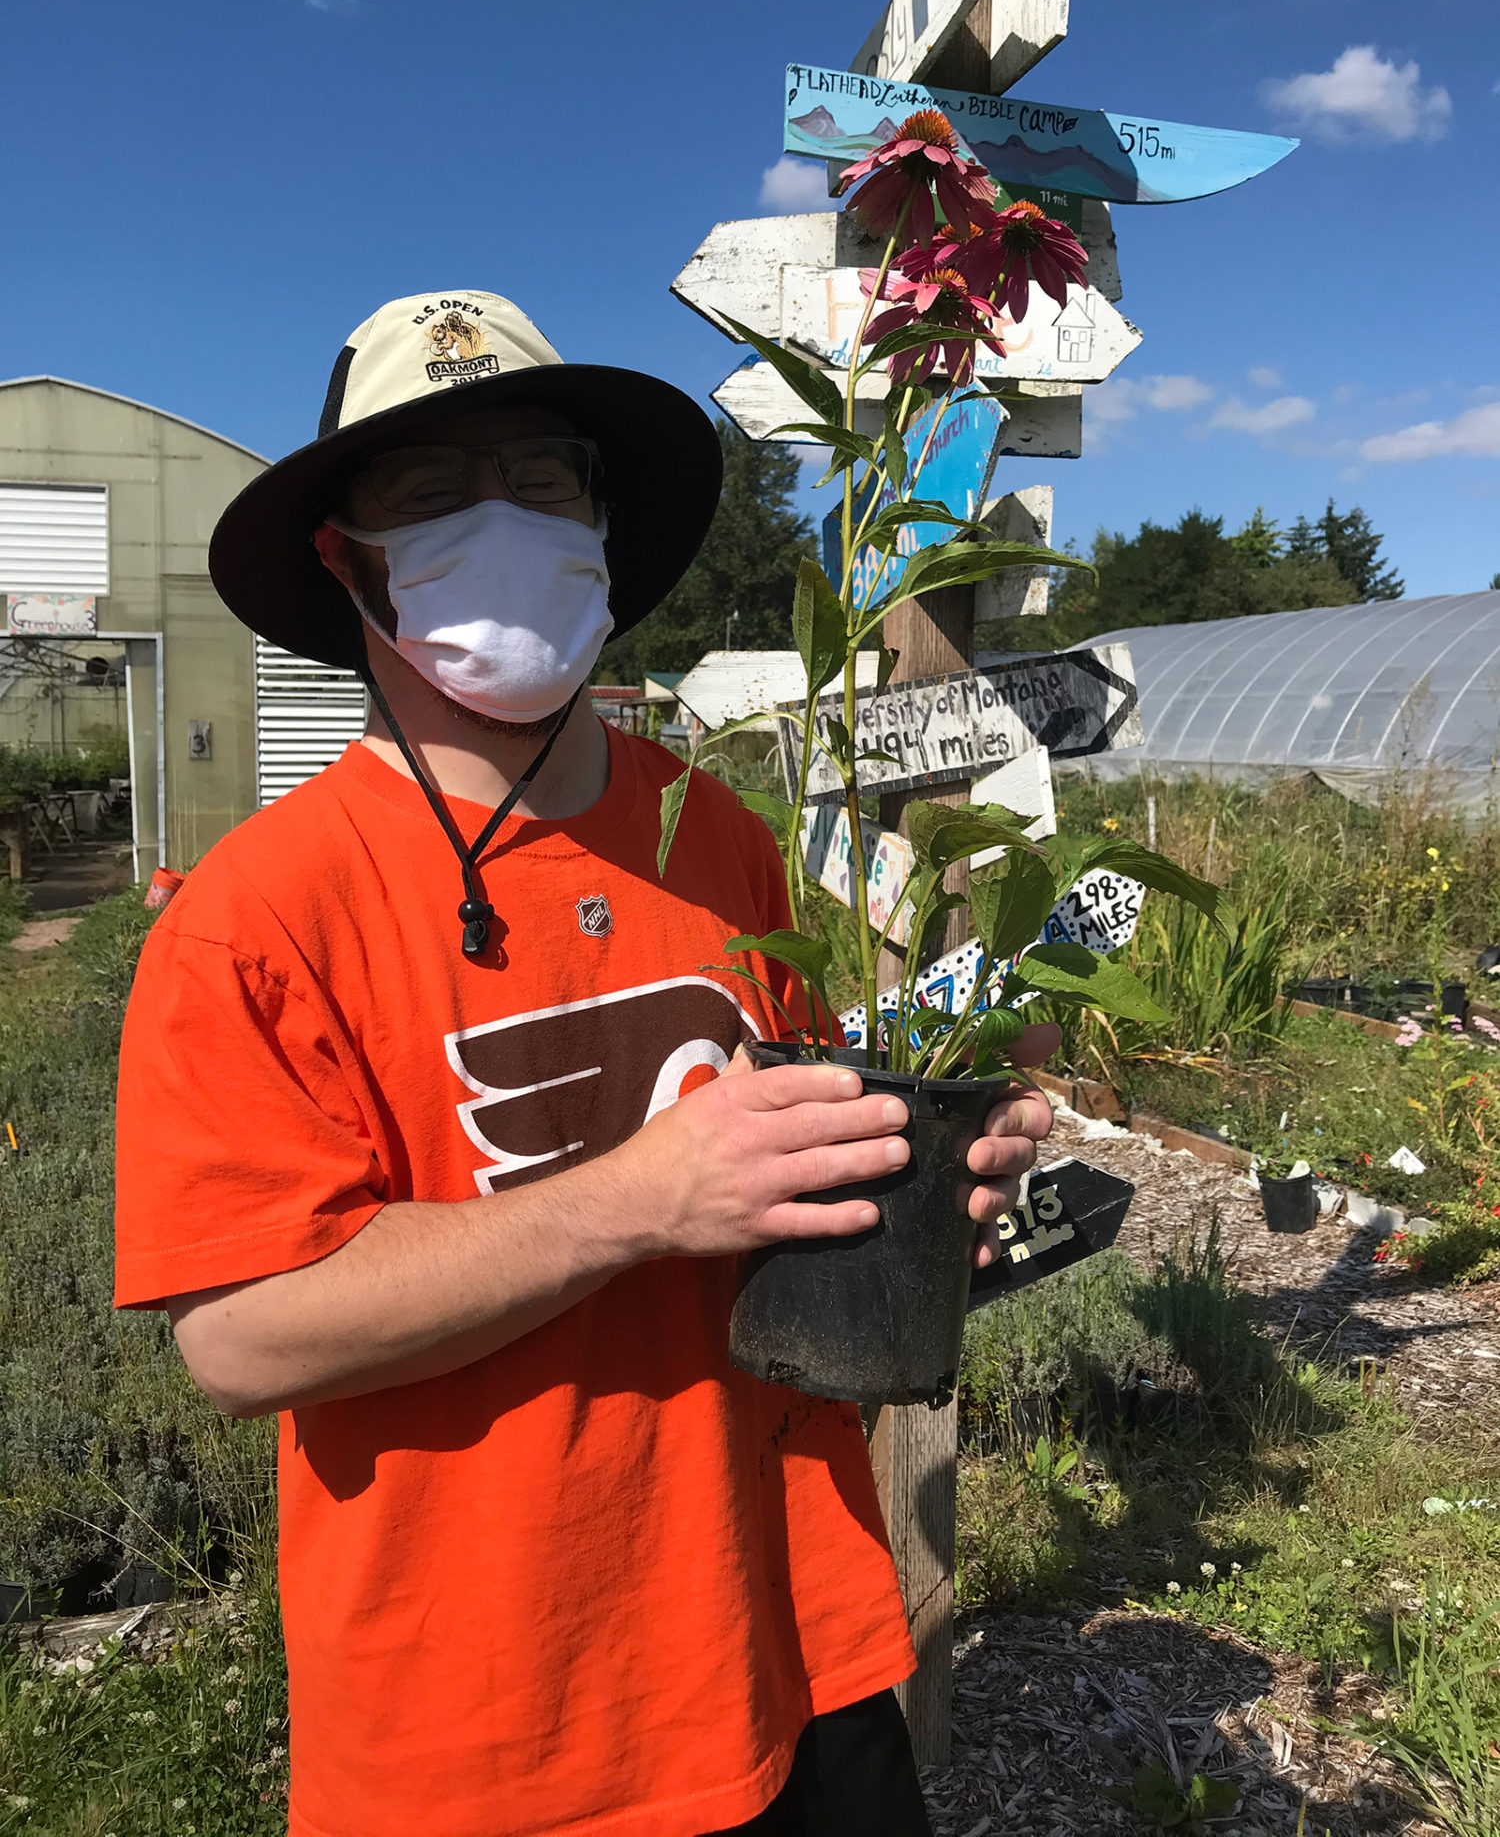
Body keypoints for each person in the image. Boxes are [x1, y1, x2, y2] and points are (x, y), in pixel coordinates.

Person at [113, 289, 1059, 1837]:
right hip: (496, 1723)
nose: (502, 522)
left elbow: (797, 1150)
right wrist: (635, 1200)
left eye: (541, 479)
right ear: (346, 564)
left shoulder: (720, 834)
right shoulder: (257, 916)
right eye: (430, 491)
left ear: (603, 528)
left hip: (795, 1635)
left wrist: (916, 1176)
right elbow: (243, 1337)